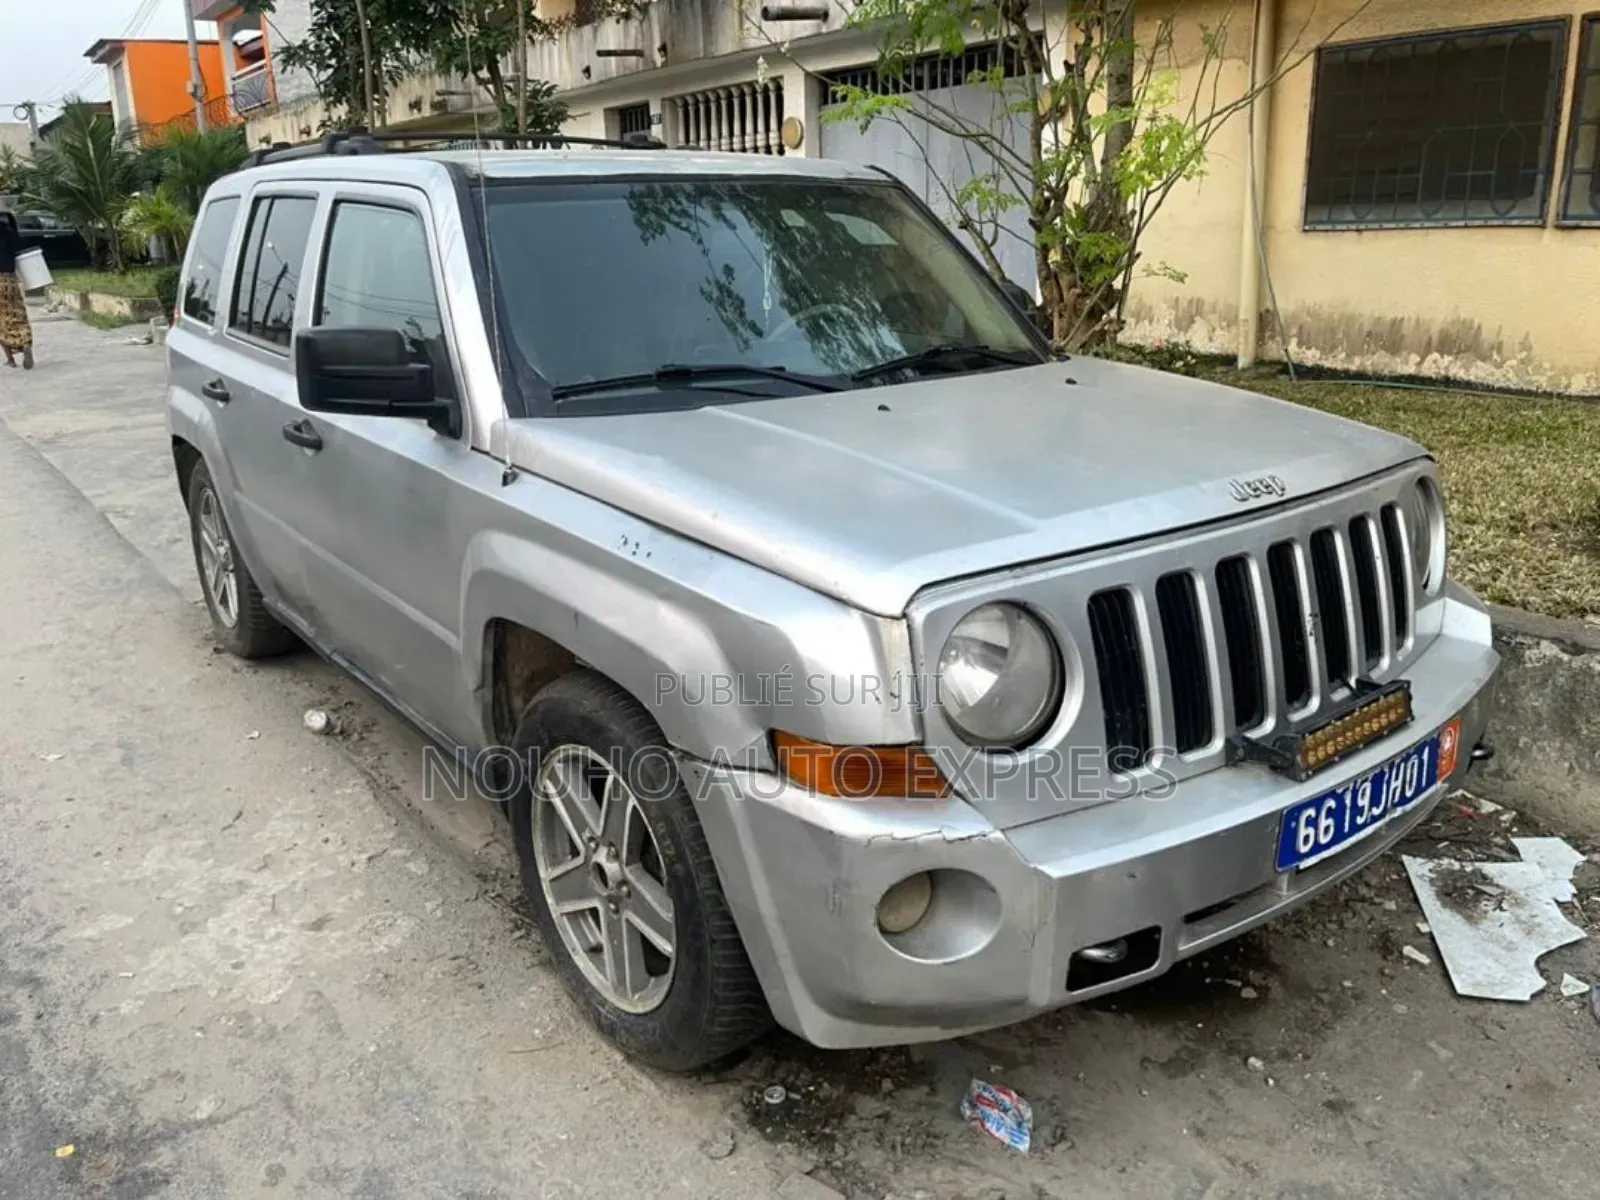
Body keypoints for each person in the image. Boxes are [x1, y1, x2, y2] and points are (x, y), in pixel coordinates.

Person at [0, 211, 35, 369]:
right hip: (10, 279)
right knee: (18, 314)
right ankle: (25, 342)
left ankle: (10, 359)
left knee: (1, 321)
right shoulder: (11, 233)